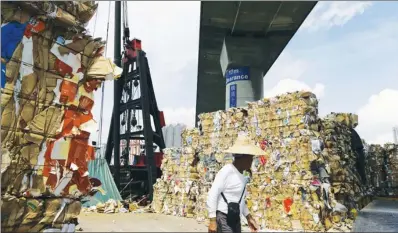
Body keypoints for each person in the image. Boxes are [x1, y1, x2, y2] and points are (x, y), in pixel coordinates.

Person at [207, 134, 264, 233]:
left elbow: (240, 199)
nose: (251, 161)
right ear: (243, 158)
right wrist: (212, 220)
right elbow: (212, 195)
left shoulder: (242, 175)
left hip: (235, 218)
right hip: (224, 218)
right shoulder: (227, 171)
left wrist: (249, 217)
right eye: (250, 158)